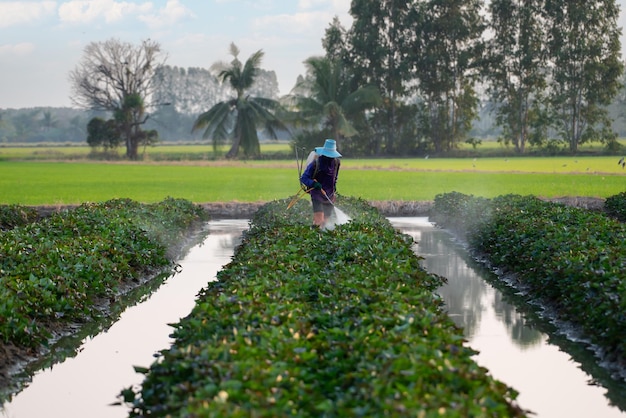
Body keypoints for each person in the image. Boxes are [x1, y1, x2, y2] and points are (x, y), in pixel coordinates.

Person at [300, 139, 342, 228]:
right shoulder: (316, 163)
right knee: (319, 221)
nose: (329, 158)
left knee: (326, 221)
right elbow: (304, 178)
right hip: (317, 194)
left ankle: (322, 238)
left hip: (329, 195)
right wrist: (314, 184)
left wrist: (334, 189)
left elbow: (335, 178)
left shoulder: (336, 163)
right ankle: (313, 237)